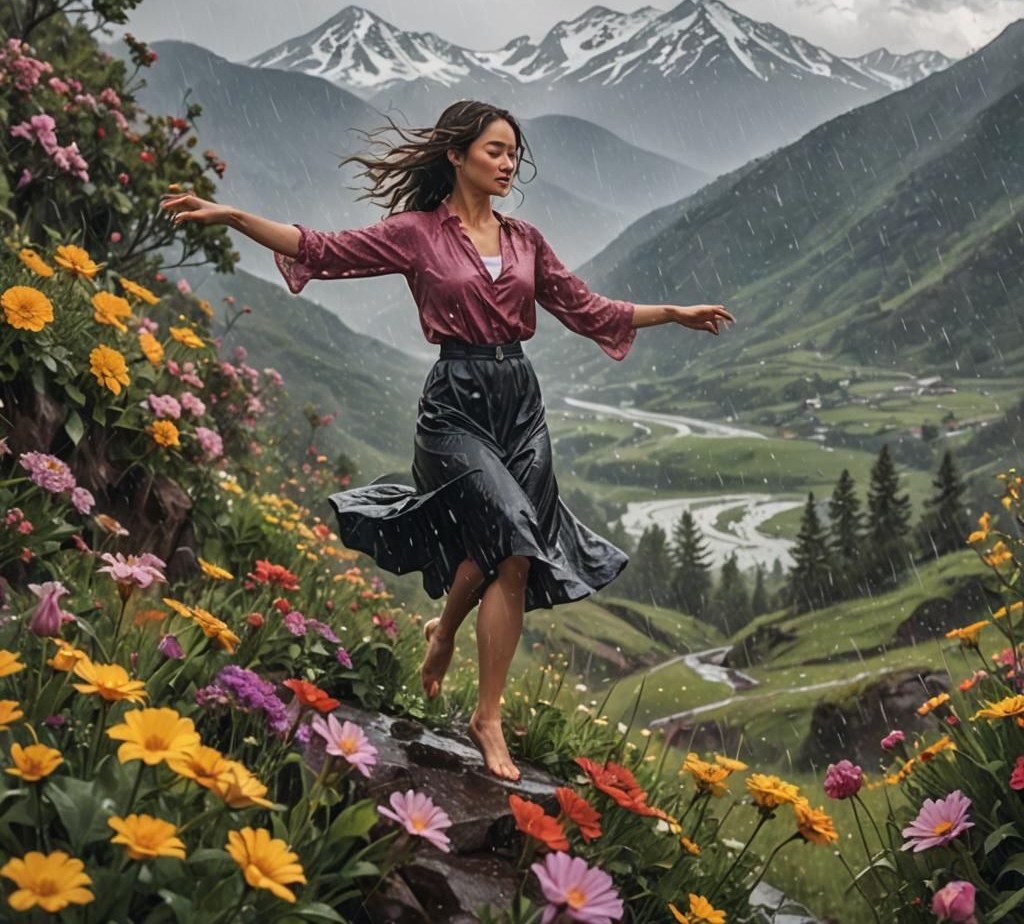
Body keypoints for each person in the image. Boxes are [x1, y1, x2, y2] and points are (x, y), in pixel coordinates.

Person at [159, 99, 734, 781]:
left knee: (505, 551)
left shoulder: (526, 240)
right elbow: (321, 248)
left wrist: (673, 311)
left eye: (514, 153)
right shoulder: (417, 234)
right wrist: (232, 216)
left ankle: (452, 650)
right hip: (455, 406)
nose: (508, 162)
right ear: (456, 156)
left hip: (520, 404)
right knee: (513, 538)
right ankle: (484, 715)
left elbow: (587, 310)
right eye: (495, 150)